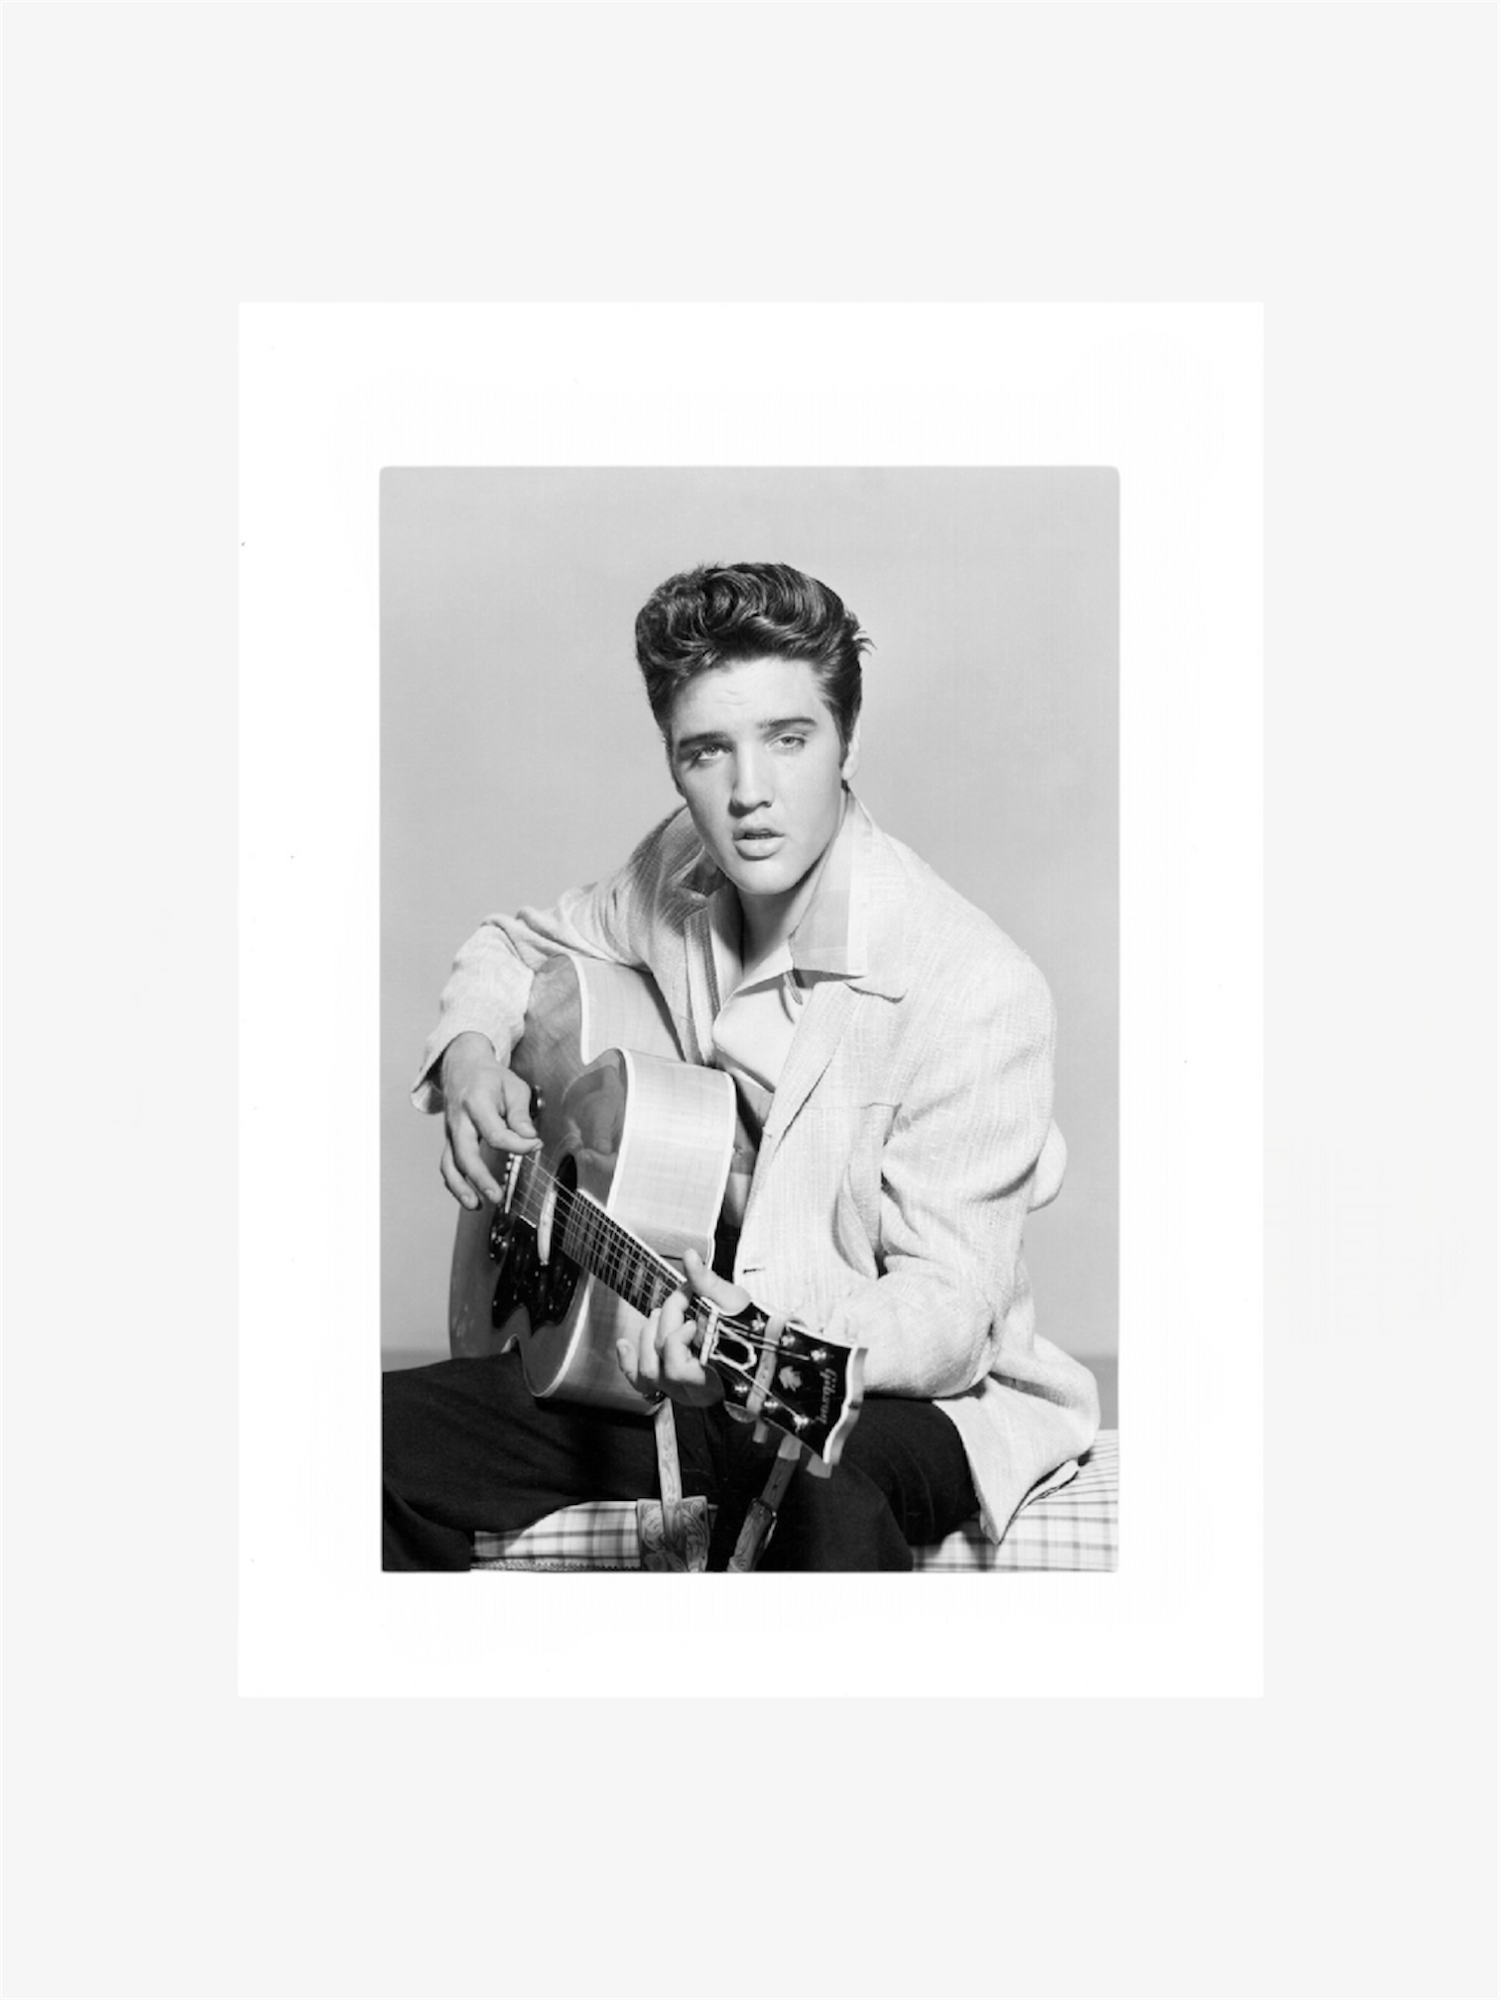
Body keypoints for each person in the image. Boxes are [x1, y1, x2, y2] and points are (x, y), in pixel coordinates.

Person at [384, 560, 1099, 1569]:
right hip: (663, 1346)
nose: (748, 793)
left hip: (893, 1390)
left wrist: (756, 1331)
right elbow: (515, 944)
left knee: (807, 1492)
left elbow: (949, 1310)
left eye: (788, 739)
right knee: (365, 1444)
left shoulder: (974, 983)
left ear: (849, 739)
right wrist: (470, 1053)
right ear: (674, 761)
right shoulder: (679, 865)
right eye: (708, 751)